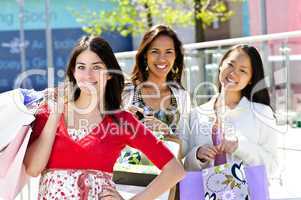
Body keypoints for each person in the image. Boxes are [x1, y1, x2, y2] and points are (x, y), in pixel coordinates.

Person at [24, 36, 185, 200]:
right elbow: (33, 169)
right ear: (73, 71)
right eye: (81, 67)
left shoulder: (121, 121)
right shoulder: (49, 112)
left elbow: (175, 170)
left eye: (96, 67)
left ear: (109, 73)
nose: (88, 75)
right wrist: (55, 114)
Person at [184, 44, 278, 177]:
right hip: (204, 195)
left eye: (243, 71)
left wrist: (240, 147)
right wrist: (197, 155)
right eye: (230, 65)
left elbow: (272, 167)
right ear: (221, 65)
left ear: (251, 79)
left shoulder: (262, 113)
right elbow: (184, 165)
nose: (233, 73)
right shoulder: (196, 114)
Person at [122, 25, 191, 159]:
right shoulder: (126, 93)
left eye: (169, 52)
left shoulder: (182, 97)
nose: (162, 59)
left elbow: (186, 150)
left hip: (170, 177)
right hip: (131, 178)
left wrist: (167, 133)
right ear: (145, 55)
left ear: (176, 56)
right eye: (155, 51)